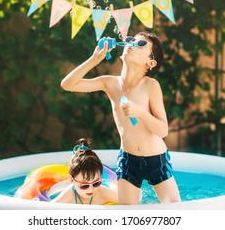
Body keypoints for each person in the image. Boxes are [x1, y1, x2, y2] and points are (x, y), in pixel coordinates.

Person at [60, 31, 181, 204]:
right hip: (128, 161)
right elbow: (67, 84)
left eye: (141, 44)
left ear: (150, 62)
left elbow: (163, 130)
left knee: (176, 211)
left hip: (156, 159)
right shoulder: (110, 83)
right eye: (131, 40)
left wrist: (140, 112)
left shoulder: (151, 86)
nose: (131, 44)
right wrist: (95, 59)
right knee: (126, 215)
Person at [51, 138, 118, 205]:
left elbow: (127, 203)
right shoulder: (69, 195)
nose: (91, 190)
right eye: (84, 186)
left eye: (96, 183)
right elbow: (47, 208)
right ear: (71, 180)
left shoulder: (103, 193)